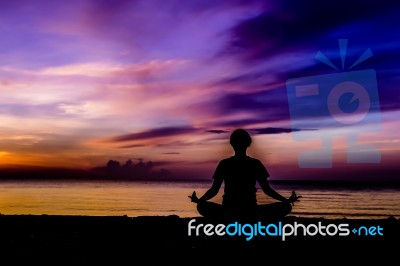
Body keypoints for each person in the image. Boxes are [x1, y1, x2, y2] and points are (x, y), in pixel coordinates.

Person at [189, 128, 301, 221]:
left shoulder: (225, 164)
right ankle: (249, 218)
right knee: (286, 207)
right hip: (249, 210)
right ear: (248, 144)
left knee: (202, 206)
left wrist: (199, 200)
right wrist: (286, 201)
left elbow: (214, 190)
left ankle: (231, 217)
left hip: (232, 210)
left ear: (232, 144)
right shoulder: (255, 163)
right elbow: (267, 190)